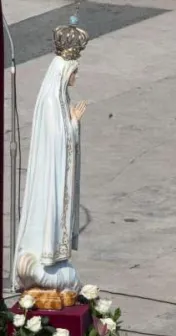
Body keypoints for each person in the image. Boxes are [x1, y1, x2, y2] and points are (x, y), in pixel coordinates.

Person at [12, 17, 89, 292]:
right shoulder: (50, 100)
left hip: (57, 173)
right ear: (64, 71)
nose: (76, 77)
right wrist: (74, 122)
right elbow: (57, 138)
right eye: (74, 72)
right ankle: (44, 259)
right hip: (50, 176)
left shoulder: (59, 98)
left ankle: (56, 258)